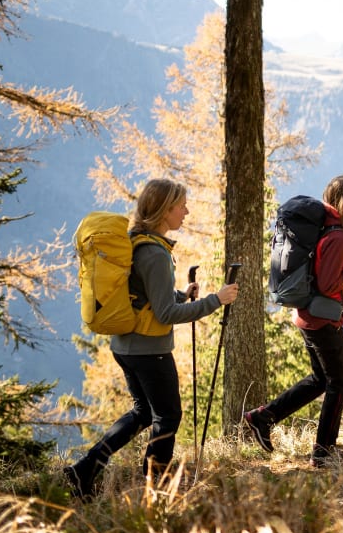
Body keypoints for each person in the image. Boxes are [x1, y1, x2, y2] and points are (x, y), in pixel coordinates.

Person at [64, 179, 239, 499]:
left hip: (125, 346)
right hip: (149, 351)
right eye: (181, 206)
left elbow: (142, 295)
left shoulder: (136, 241)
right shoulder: (155, 253)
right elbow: (166, 314)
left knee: (143, 412)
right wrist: (216, 300)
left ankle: (84, 470)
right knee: (168, 416)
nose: (186, 211)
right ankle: (155, 486)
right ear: (164, 210)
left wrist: (180, 294)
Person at [243, 174, 343, 467]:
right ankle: (323, 452)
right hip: (322, 321)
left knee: (320, 380)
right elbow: (328, 285)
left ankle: (263, 417)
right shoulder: (339, 237)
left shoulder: (339, 231)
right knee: (339, 382)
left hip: (311, 317)